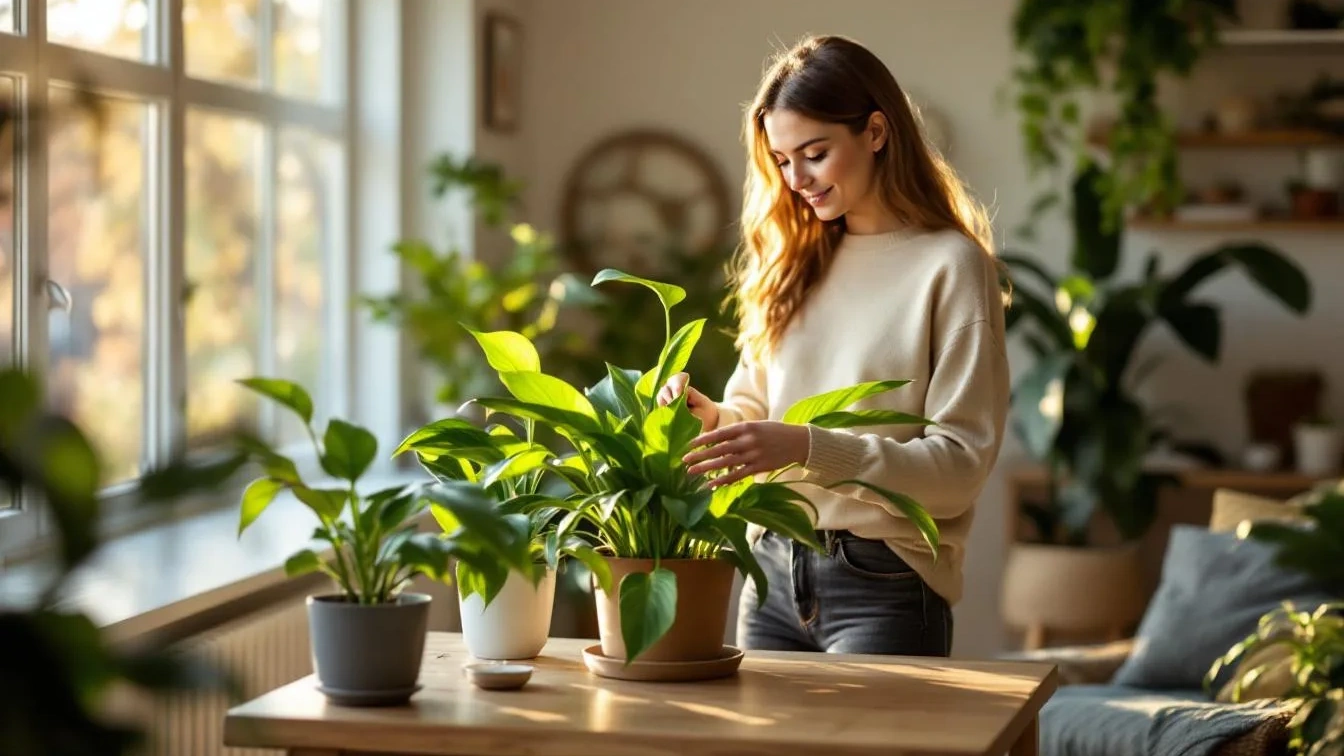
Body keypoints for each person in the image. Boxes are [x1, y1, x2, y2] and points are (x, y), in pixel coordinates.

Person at [657, 34, 1010, 657]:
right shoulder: (791, 263)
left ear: (875, 132)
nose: (797, 180)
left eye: (815, 154)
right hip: (769, 572)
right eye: (782, 160)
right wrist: (710, 420)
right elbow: (754, 412)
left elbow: (958, 470)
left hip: (886, 585)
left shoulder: (950, 266)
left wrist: (810, 447)